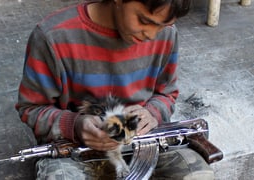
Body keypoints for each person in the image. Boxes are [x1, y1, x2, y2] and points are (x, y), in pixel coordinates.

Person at [16, 0, 215, 179]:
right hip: (74, 149)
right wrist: (74, 125)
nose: (151, 35)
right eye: (144, 20)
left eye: (162, 24)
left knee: (198, 175)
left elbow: (167, 93)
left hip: (146, 142)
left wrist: (153, 112)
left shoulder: (166, 33)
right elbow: (31, 108)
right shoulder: (52, 37)